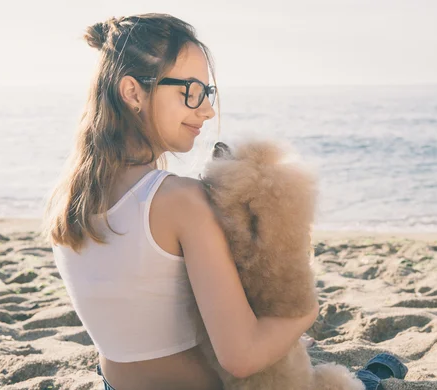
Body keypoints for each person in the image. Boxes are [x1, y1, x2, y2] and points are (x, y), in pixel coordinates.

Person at [42, 13, 407, 390]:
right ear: (133, 92)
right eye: (191, 91)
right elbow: (242, 357)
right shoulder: (178, 200)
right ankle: (371, 378)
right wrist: (306, 312)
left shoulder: (67, 197)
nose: (207, 109)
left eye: (208, 92)